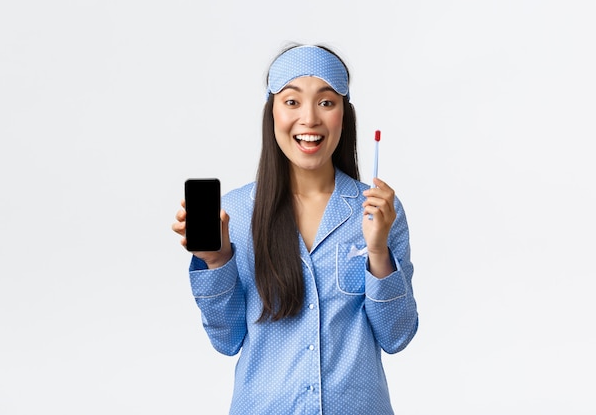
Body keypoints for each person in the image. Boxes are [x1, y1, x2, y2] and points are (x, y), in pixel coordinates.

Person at [172, 43, 418, 415]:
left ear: (343, 115)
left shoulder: (378, 211)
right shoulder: (235, 213)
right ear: (271, 113)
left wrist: (379, 252)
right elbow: (226, 339)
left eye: (325, 102)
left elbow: (396, 335)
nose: (309, 119)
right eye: (291, 102)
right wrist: (218, 260)